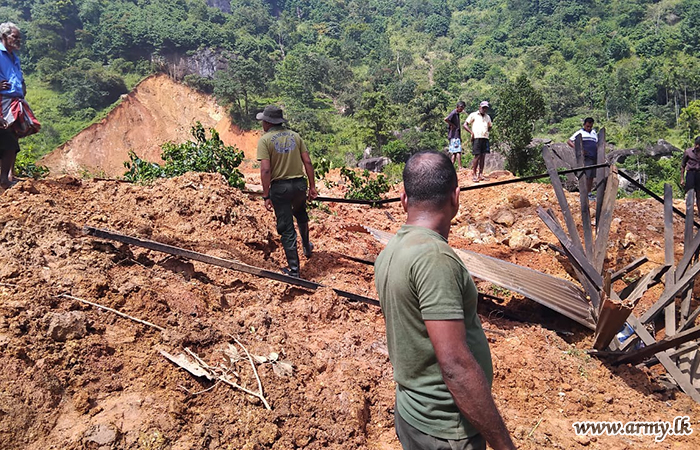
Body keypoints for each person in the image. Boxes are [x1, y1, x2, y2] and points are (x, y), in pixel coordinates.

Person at [374, 151, 515, 450]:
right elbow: (455, 366)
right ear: (456, 197)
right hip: (446, 428)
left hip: (412, 412)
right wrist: (504, 445)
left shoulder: (392, 249)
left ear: (403, 199)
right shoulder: (435, 258)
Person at [257, 105, 318, 278]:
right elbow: (308, 162)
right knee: (301, 213)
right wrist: (312, 187)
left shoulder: (265, 140)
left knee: (286, 227)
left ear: (268, 122)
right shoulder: (295, 136)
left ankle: (294, 270)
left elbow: (266, 170)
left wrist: (266, 195)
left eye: (263, 121)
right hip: (299, 186)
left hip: (280, 189)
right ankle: (307, 247)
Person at [0, 22, 25, 189]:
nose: (18, 40)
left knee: (13, 134)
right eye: (14, 37)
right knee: (7, 136)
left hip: (14, 100)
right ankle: (4, 179)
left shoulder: (14, 57)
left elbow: (18, 77)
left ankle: (9, 175)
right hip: (2, 100)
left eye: (19, 37)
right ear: (4, 36)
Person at [567, 117, 598, 196]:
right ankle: (584, 193)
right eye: (587, 126)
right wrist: (579, 150)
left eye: (590, 126)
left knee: (591, 176)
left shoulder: (594, 133)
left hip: (593, 156)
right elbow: (569, 141)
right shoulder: (580, 132)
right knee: (586, 175)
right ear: (584, 125)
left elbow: (597, 143)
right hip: (585, 157)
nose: (589, 128)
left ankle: (589, 192)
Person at [463, 101, 492, 182]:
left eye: (486, 108)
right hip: (477, 137)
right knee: (477, 156)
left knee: (483, 156)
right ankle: (474, 175)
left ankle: (480, 174)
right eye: (483, 107)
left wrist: (486, 131)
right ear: (480, 107)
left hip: (485, 138)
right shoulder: (474, 115)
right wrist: (471, 133)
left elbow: (490, 126)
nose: (484, 109)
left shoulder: (487, 117)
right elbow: (465, 125)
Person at [681, 136, 700, 216]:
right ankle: (689, 213)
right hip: (690, 174)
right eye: (696, 144)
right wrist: (682, 179)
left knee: (699, 195)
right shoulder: (688, 152)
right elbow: (683, 166)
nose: (697, 146)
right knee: (690, 193)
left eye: (699, 145)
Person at [444, 101, 466, 169]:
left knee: (455, 153)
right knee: (458, 151)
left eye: (462, 109)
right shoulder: (453, 113)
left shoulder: (457, 114)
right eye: (461, 108)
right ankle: (460, 167)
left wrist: (460, 136)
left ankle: (451, 167)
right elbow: (446, 119)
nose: (461, 110)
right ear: (457, 107)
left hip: (456, 135)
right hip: (454, 135)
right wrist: (452, 125)